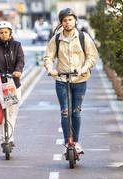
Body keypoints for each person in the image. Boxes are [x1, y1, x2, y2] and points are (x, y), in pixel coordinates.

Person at [43, 8, 98, 154]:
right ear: (61, 23)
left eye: (70, 19)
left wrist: (84, 68)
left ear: (75, 20)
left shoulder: (83, 37)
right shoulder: (56, 39)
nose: (67, 23)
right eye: (65, 20)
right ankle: (69, 142)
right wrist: (50, 69)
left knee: (76, 112)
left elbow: (92, 56)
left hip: (80, 79)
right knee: (65, 112)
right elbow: (48, 57)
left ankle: (77, 142)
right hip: (62, 80)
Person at [0, 21, 24, 150]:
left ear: (10, 32)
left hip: (12, 83)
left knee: (11, 112)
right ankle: (3, 139)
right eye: (1, 32)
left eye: (6, 32)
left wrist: (18, 70)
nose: (4, 34)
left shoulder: (16, 45)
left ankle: (10, 138)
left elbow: (20, 60)